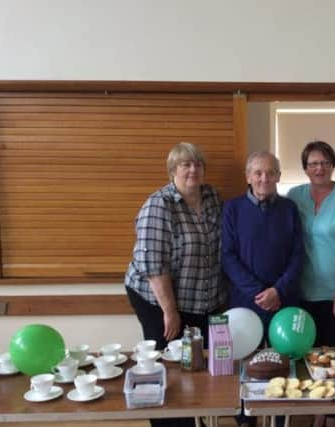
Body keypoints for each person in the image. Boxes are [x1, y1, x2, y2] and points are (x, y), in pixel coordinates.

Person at [125, 142, 227, 427]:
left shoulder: (212, 198)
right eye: (185, 164)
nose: (192, 170)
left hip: (202, 297)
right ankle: (168, 421)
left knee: (198, 361)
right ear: (172, 171)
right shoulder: (159, 205)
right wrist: (169, 312)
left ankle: (196, 417)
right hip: (157, 298)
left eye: (197, 164)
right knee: (168, 360)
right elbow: (153, 265)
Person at [222, 150, 304, 427]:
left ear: (279, 176)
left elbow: (297, 255)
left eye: (270, 172)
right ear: (248, 176)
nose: (264, 178)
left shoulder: (290, 209)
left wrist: (277, 291)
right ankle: (245, 419)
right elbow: (228, 256)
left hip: (283, 302)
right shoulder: (232, 209)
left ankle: (280, 418)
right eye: (258, 172)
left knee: (283, 365)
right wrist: (259, 292)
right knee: (245, 366)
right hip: (245, 304)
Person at [287, 141, 335, 427]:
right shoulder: (295, 196)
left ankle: (328, 415)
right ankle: (320, 407)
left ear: (333, 164)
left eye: (324, 163)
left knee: (333, 357)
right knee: (310, 357)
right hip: (303, 293)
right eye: (313, 163)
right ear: (305, 168)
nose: (319, 168)